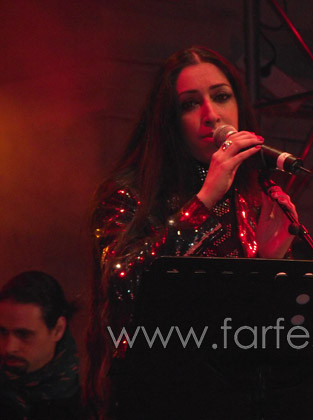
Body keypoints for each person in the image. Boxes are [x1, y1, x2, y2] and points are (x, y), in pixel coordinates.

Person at [85, 46, 299, 418]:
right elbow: (123, 282)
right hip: (155, 396)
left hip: (236, 395)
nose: (211, 115)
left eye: (221, 97)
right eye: (189, 104)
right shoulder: (127, 192)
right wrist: (202, 203)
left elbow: (262, 327)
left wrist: (272, 262)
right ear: (169, 120)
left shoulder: (251, 197)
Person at [0, 271, 81, 420]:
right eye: (2, 332)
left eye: (24, 334)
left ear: (58, 330)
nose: (9, 348)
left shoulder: (87, 401)